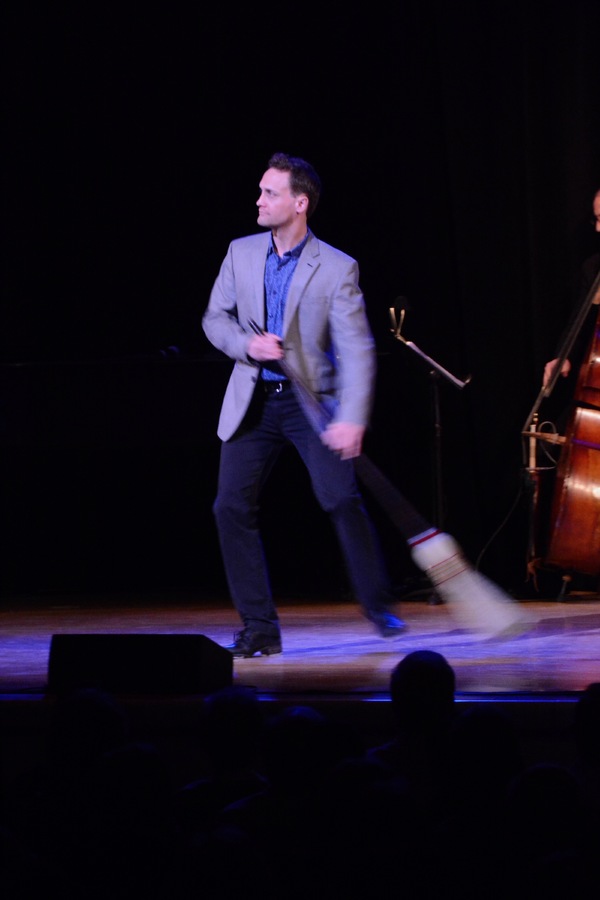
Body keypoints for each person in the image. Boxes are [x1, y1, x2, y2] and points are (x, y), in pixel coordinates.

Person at [202, 151, 405, 657]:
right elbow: (214, 319)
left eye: (269, 193)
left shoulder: (337, 267)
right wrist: (247, 346)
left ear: (300, 203)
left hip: (310, 402)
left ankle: (377, 604)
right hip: (253, 398)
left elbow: (357, 351)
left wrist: (352, 419)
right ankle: (259, 628)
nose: (259, 200)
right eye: (260, 190)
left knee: (339, 499)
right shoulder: (240, 252)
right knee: (230, 505)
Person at [543, 187, 600, 388]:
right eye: (597, 219)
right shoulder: (593, 267)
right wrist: (563, 356)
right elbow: (577, 323)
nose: (598, 229)